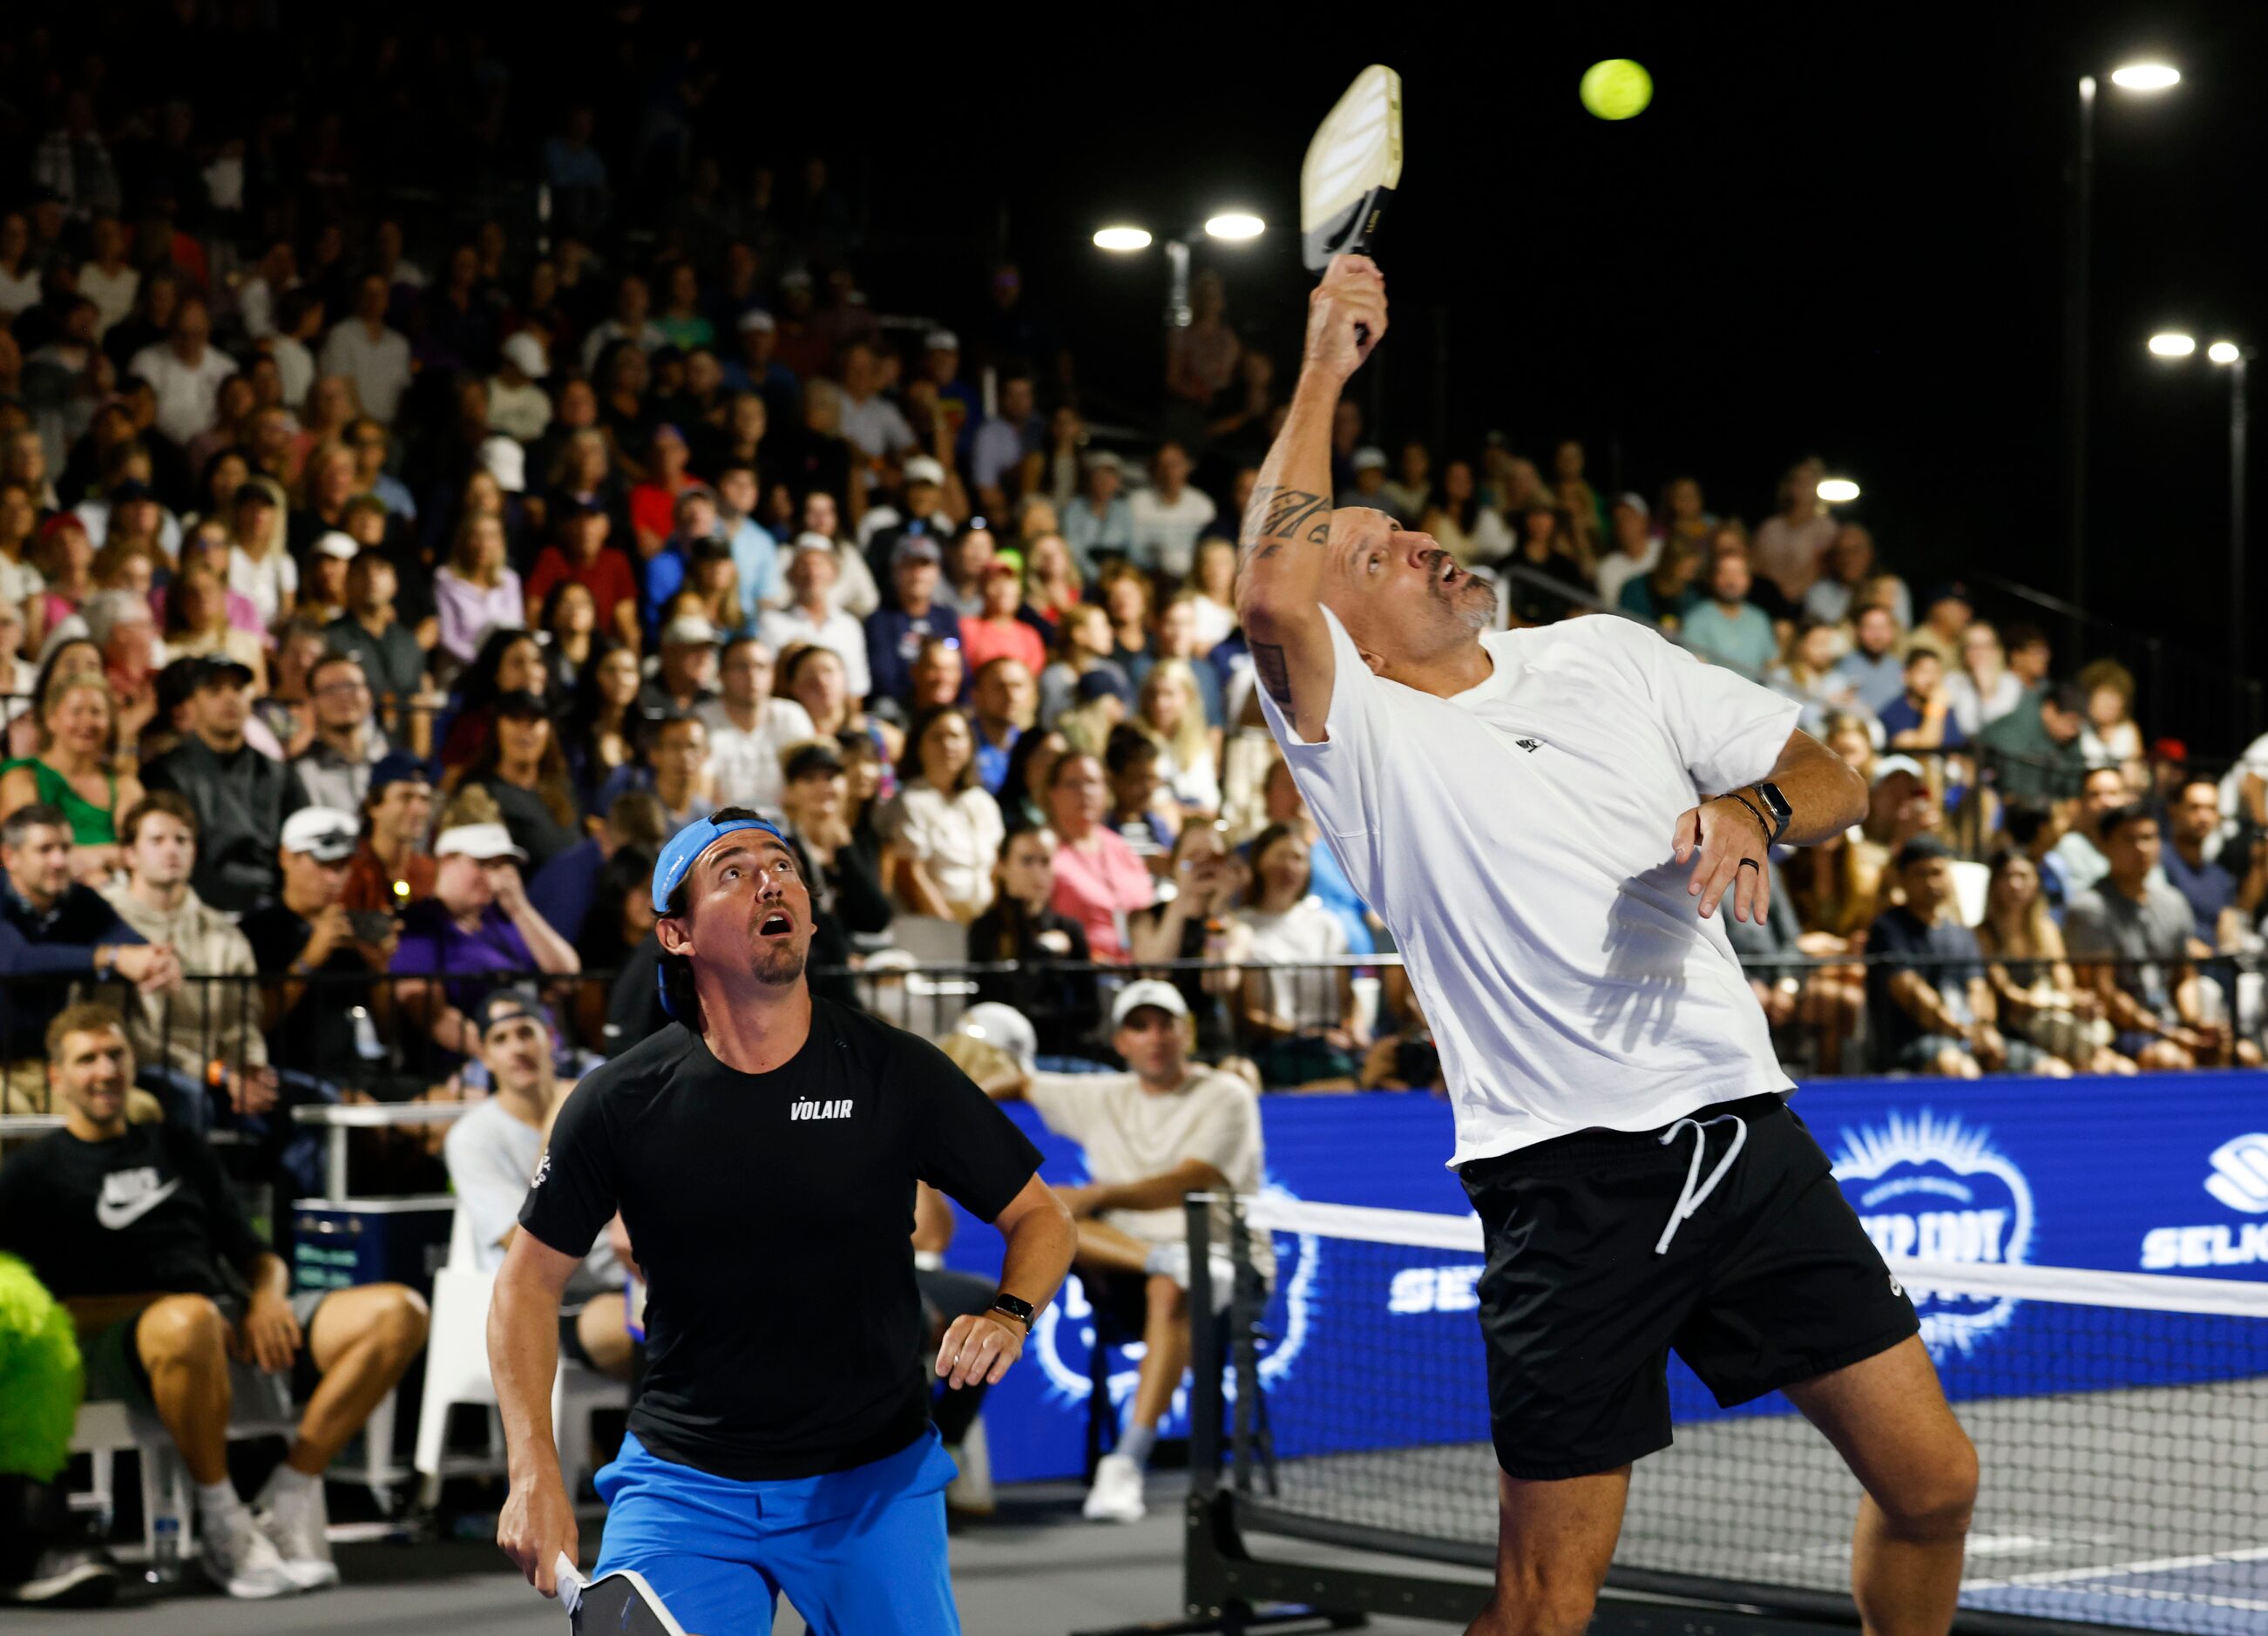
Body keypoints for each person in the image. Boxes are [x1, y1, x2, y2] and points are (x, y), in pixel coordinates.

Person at [1236, 256, 1969, 1635]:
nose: (1421, 546)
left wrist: (1751, 806)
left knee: (1931, 1483)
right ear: (1345, 631)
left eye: (1410, 528)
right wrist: (1328, 365)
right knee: (1543, 1602)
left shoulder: (1605, 654)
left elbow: (1833, 775)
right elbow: (1270, 588)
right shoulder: (1361, 735)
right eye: (1376, 552)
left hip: (1742, 1139)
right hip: (1567, 1186)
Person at [491, 811, 1076, 1633]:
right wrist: (531, 1469)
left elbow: (1041, 1217)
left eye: (785, 865)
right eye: (731, 870)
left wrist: (1011, 1313)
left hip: (872, 1482)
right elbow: (524, 1285)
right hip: (684, 1483)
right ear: (677, 933)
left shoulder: (892, 1067)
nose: (772, 880)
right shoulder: (618, 1102)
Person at [0, 1005, 429, 1599]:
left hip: (227, 1320)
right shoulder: (30, 1175)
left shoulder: (179, 1145)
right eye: (87, 1059)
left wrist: (267, 1299)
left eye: (115, 1055)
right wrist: (167, 1305)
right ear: (58, 1077)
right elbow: (35, 1313)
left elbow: (258, 1255)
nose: (105, 1071)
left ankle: (288, 1492)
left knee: (399, 1311)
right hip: (127, 1346)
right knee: (187, 1319)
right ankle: (223, 1521)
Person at [962, 979, 1266, 1524]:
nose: (1155, 1038)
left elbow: (1193, 1180)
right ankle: (1162, 1263)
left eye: (1165, 1024)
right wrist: (950, 1100)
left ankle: (1126, 1462)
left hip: (1223, 1261)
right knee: (1056, 1215)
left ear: (1186, 1033)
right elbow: (1023, 1084)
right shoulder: (1101, 1094)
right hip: (1127, 1264)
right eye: (1139, 1026)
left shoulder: (1227, 1095)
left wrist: (1101, 1194)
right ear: (1121, 1042)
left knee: (1171, 1281)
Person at [443, 988, 631, 1381]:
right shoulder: (472, 1137)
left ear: (550, 1037)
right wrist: (555, 1132)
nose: (517, 1048)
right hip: (553, 1303)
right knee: (660, 1329)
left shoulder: (593, 1104)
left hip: (631, 1275)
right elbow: (528, 1247)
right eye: (500, 1039)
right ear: (485, 1056)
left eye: (526, 1032)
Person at [100, 793, 276, 1123]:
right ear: (129, 855)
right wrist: (215, 1073)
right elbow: (121, 1034)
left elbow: (244, 1021)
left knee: (306, 1102)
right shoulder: (105, 922)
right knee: (189, 1100)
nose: (172, 850)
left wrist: (250, 1069)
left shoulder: (224, 934)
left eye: (182, 840)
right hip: (142, 1070)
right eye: (157, 840)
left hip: (222, 1075)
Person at [0, 804, 179, 1111]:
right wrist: (109, 957)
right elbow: (15, 960)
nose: (58, 861)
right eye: (44, 850)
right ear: (10, 857)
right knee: (12, 1116)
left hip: (48, 1066)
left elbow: (131, 944)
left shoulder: (78, 900)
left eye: (65, 848)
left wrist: (158, 960)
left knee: (140, 1109)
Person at [2065, 807, 2259, 1071]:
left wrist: (2197, 1023)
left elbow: (2185, 978)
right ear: (2103, 845)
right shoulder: (2090, 908)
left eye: (2148, 838)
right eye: (2129, 839)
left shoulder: (2173, 902)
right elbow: (2105, 994)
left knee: (2246, 1056)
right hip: (2118, 1032)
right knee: (2170, 1060)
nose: (2141, 848)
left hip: (2173, 1025)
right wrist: (2170, 1033)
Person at [1865, 836, 2064, 1078]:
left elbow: (1978, 987)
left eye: (1938, 872)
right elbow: (1909, 990)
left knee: (2053, 1071)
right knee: (1962, 1070)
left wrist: (1984, 1029)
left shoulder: (1960, 932)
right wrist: (1962, 1031)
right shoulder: (1888, 928)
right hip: (1917, 1043)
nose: (1931, 882)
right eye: (1921, 874)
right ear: (1903, 879)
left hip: (1970, 1036)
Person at [390, 822, 580, 1073]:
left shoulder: (505, 920)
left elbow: (567, 976)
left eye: (501, 866)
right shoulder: (422, 924)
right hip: (470, 1065)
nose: (493, 877)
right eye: (482, 864)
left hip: (543, 1057)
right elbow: (428, 1012)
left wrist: (520, 907)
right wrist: (504, 1054)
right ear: (446, 861)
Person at [140, 659, 306, 914]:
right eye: (214, 691)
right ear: (192, 705)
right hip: (204, 907)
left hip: (279, 906)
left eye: (238, 689)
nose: (230, 699)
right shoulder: (167, 772)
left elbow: (302, 841)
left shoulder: (278, 773)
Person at [1972, 848, 2133, 1076]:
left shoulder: (2046, 929)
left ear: (2036, 882)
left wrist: (2080, 1001)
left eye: (2023, 877)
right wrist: (2056, 1003)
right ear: (1994, 884)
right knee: (2070, 1069)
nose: (2015, 885)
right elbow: (2007, 992)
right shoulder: (1983, 935)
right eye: (2008, 877)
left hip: (2055, 1019)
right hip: (2016, 1028)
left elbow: (2064, 981)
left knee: (2122, 1069)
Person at [965, 827, 1101, 1060]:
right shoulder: (985, 928)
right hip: (1001, 1053)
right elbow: (991, 1004)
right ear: (1002, 866)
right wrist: (1042, 951)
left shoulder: (1070, 929)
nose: (1037, 872)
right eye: (1027, 861)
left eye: (1046, 861)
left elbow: (1091, 1011)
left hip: (1062, 1053)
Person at [0, 672, 140, 883]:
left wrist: (86, 859)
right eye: (76, 712)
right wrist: (110, 856)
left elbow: (144, 855)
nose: (87, 721)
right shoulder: (22, 778)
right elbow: (32, 855)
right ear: (51, 719)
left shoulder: (124, 784)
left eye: (96, 712)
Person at [879, 706, 1005, 923]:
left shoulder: (982, 801)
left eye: (956, 736)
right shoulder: (909, 801)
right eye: (937, 738)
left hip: (982, 922)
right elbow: (910, 874)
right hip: (932, 925)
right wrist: (947, 926)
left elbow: (995, 869)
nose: (948, 745)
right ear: (919, 745)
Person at [1044, 749, 1154, 963]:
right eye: (1073, 784)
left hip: (1140, 964)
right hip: (1080, 974)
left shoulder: (1122, 848)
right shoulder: (1045, 852)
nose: (1084, 792)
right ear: (1053, 793)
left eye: (1092, 782)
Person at [698, 637, 815, 814]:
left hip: (784, 831)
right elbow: (699, 796)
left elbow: (811, 782)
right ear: (721, 674)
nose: (751, 675)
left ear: (772, 674)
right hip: (721, 831)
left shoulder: (791, 715)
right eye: (741, 667)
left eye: (761, 667)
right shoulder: (701, 721)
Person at [287, 653, 389, 813]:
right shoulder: (302, 770)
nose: (342, 696)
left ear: (369, 695)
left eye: (351, 686)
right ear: (313, 702)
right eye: (329, 690)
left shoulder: (390, 758)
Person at [342, 753, 437, 915]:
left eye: (424, 799)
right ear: (373, 806)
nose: (418, 810)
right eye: (405, 797)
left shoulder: (429, 872)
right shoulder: (348, 872)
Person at [1974, 682, 2090, 814]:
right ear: (2049, 710)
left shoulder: (2071, 742)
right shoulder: (2013, 730)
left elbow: (2073, 788)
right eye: (2069, 722)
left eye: (2077, 726)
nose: (2072, 732)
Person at [1679, 551, 1779, 675]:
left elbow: (1773, 666)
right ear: (1713, 577)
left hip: (1756, 692)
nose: (1731, 581)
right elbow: (1697, 673)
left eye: (1738, 574)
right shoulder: (1696, 620)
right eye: (1725, 573)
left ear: (1749, 579)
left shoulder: (1759, 619)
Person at [1831, 603, 1906, 716]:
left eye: (1883, 627)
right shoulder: (1845, 667)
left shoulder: (1899, 667)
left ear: (1892, 631)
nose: (1877, 635)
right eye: (1870, 628)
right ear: (1859, 631)